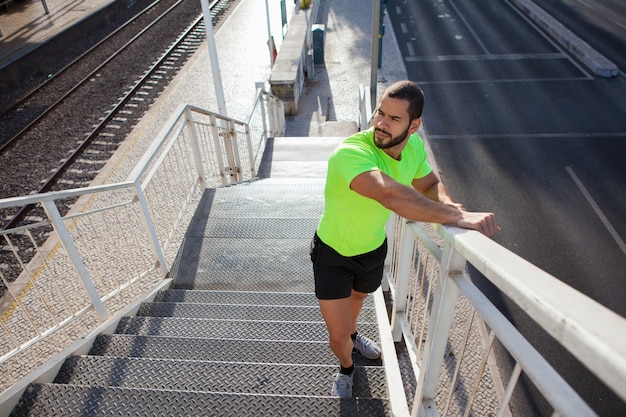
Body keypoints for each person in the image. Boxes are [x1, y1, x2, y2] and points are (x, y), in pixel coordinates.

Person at [310, 80, 500, 398]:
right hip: (333, 253)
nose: (382, 124)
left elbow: (428, 183)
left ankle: (354, 336)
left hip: (372, 249)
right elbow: (388, 194)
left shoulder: (413, 147)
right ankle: (345, 366)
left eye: (394, 118)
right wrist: (455, 218)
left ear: (415, 125)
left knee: (358, 300)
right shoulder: (351, 152)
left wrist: (451, 205)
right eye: (380, 113)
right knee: (337, 333)